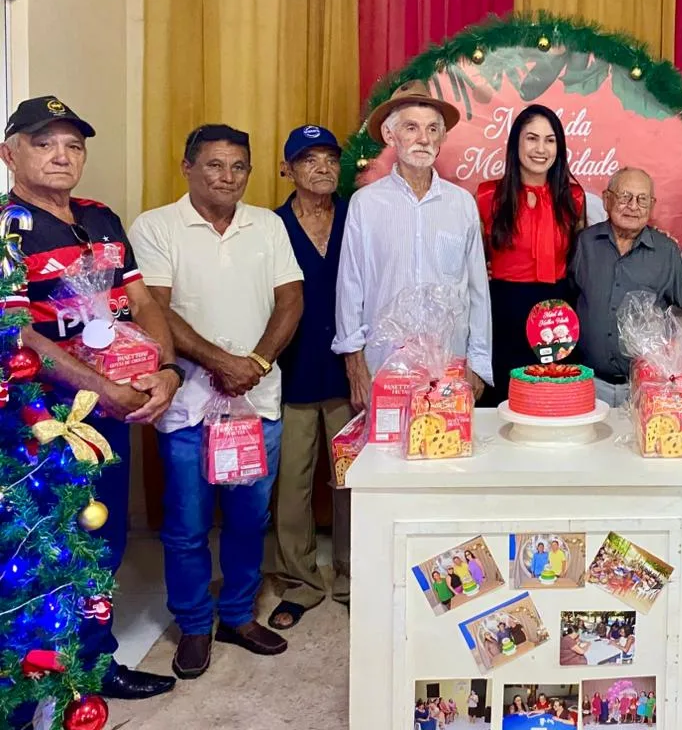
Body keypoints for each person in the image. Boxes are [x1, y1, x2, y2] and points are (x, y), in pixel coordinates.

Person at [0, 96, 181, 700]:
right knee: (43, 548)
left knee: (101, 540)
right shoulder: (6, 229)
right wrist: (103, 387)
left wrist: (165, 371)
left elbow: (144, 302)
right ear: (9, 154)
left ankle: (94, 664)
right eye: (44, 143)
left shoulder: (101, 217)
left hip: (111, 413)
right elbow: (19, 333)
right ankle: (36, 682)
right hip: (40, 421)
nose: (62, 155)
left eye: (73, 145)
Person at [129, 124, 304, 678]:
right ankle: (193, 623)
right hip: (186, 406)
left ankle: (237, 615)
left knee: (250, 519)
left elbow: (290, 300)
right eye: (214, 165)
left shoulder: (268, 225)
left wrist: (255, 364)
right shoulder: (156, 226)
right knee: (186, 525)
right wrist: (221, 363)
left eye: (238, 167)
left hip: (256, 405)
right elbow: (155, 309)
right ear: (187, 167)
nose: (228, 177)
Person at [334, 82, 491, 421]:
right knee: (386, 450)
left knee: (447, 446)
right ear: (390, 136)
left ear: (442, 137)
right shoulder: (365, 204)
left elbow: (478, 291)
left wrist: (479, 363)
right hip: (384, 365)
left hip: (449, 364)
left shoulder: (462, 203)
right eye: (411, 128)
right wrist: (355, 364)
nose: (423, 138)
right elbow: (350, 287)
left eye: (432, 129)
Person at [268, 125, 352, 632]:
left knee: (351, 479)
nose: (322, 168)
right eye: (309, 160)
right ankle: (300, 580)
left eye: (330, 159)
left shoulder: (356, 216)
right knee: (293, 480)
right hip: (293, 371)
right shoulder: (271, 226)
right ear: (288, 169)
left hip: (349, 370)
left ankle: (351, 575)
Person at [476, 104, 585, 403]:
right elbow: (474, 258)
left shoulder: (574, 198)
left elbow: (580, 257)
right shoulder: (487, 195)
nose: (541, 149)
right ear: (516, 144)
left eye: (550, 140)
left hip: (557, 315)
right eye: (532, 138)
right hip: (503, 311)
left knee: (552, 401)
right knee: (502, 402)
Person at [571, 166, 682, 406]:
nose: (633, 206)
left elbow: (681, 315)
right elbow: (569, 299)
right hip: (587, 382)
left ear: (651, 205)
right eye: (625, 197)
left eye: (642, 199)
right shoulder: (584, 243)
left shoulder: (666, 251)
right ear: (607, 199)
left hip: (646, 385)